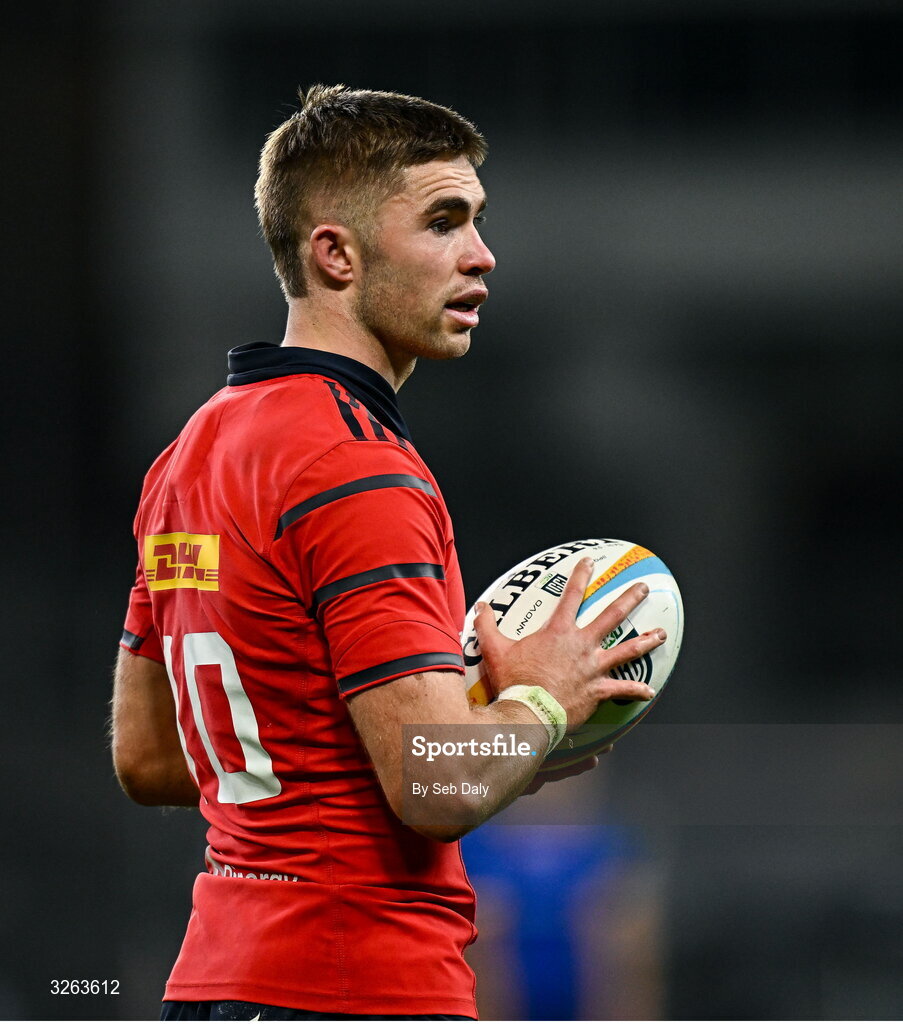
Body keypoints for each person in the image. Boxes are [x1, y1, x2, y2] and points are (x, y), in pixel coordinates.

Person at [111, 84, 665, 1021]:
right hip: (356, 986)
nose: (482, 255)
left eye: (478, 221)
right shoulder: (358, 468)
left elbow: (151, 756)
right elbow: (431, 785)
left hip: (215, 987)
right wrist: (539, 700)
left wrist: (482, 732)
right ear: (336, 253)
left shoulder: (190, 453)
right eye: (444, 222)